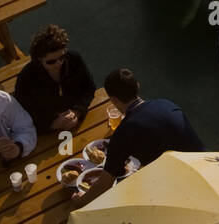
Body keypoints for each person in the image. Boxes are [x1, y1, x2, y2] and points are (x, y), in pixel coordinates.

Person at [69, 68, 205, 207]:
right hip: (204, 167)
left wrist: (81, 201)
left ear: (114, 100)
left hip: (178, 189)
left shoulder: (124, 132)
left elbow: (106, 182)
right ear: (137, 86)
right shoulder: (167, 104)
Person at [14, 24, 95, 134]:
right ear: (39, 59)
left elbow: (89, 88)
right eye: (51, 62)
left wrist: (77, 111)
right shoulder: (26, 78)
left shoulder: (74, 59)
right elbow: (22, 114)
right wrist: (50, 124)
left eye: (62, 57)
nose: (59, 64)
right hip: (45, 131)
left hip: (76, 120)